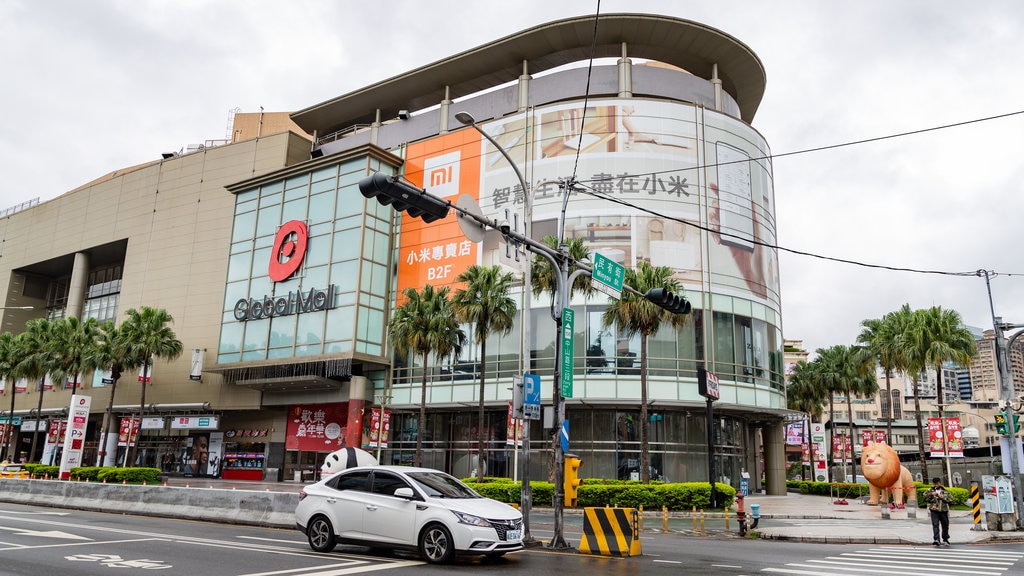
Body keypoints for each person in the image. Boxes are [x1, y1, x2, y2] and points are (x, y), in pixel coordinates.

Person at [924, 477, 952, 546]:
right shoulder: (931, 490)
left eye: (937, 483)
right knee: (935, 525)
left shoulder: (945, 491)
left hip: (943, 510)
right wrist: (931, 494)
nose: (936, 485)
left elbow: (950, 499)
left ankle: (945, 539)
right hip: (934, 510)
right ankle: (936, 539)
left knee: (945, 525)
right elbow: (925, 497)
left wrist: (941, 497)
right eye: (935, 484)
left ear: (940, 483)